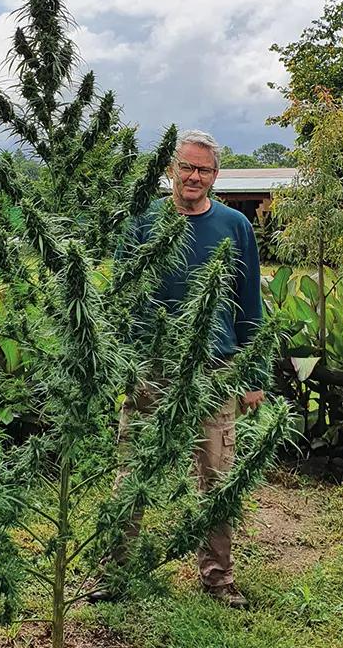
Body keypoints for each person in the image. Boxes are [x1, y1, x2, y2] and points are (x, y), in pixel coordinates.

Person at [104, 129, 266, 609]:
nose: (194, 176)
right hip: (151, 368)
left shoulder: (235, 226)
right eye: (186, 166)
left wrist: (253, 374)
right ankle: (113, 572)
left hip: (215, 370)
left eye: (204, 169)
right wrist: (123, 359)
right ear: (171, 168)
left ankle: (218, 577)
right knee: (133, 468)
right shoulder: (142, 221)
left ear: (216, 176)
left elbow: (248, 298)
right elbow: (122, 292)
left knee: (217, 475)